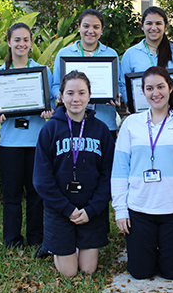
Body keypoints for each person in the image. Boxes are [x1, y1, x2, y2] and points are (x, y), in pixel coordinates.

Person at [111, 66, 173, 280]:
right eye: (150, 88)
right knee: (139, 272)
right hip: (140, 209)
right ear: (143, 92)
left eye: (161, 86)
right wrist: (121, 209)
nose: (156, 93)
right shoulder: (131, 124)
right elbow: (119, 170)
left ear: (171, 88)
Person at [33, 70, 114, 277]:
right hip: (60, 210)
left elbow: (108, 174)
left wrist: (91, 209)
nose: (76, 99)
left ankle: (73, 244)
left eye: (81, 93)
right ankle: (58, 244)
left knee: (87, 270)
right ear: (61, 97)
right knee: (69, 273)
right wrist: (67, 209)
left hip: (90, 210)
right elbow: (42, 179)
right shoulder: (50, 130)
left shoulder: (102, 130)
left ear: (89, 95)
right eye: (70, 93)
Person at [0, 23, 53, 254]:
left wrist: (47, 111)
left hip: (36, 140)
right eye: (17, 40)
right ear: (8, 42)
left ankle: (36, 237)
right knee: (12, 194)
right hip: (10, 142)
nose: (22, 44)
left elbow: (49, 103)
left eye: (26, 40)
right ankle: (12, 239)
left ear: (31, 43)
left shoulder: (41, 71)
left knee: (36, 192)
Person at [52, 9, 120, 140]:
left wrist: (117, 97)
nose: (91, 31)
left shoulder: (111, 54)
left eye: (96, 27)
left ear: (102, 30)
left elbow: (118, 84)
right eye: (86, 26)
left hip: (104, 121)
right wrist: (59, 96)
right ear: (79, 27)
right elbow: (56, 85)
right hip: (71, 121)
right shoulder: (64, 54)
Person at [120, 6, 173, 102]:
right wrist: (130, 104)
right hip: (142, 111)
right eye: (149, 23)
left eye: (158, 23)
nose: (154, 28)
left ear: (165, 26)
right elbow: (123, 84)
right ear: (142, 26)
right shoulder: (130, 54)